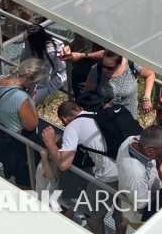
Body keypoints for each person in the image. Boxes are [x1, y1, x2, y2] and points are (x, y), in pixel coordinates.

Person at [43, 100, 124, 234]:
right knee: (122, 213)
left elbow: (63, 164)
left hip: (109, 176)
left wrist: (50, 142)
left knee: (91, 215)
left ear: (64, 119)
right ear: (80, 108)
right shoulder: (98, 113)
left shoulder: (72, 126)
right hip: (128, 167)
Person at [0, 58, 48, 189]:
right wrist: (32, 102)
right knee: (25, 179)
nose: (35, 85)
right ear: (28, 77)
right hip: (17, 145)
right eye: (36, 82)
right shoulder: (22, 98)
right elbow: (32, 124)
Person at [116, 125, 162, 230]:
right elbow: (142, 208)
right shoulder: (137, 177)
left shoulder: (130, 141)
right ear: (150, 151)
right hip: (143, 221)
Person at [84, 50, 156, 118]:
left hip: (129, 118)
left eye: (110, 67)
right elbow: (87, 95)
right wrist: (103, 104)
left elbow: (150, 74)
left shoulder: (131, 64)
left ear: (120, 62)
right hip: (106, 118)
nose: (106, 69)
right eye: (103, 65)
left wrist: (146, 98)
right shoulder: (96, 70)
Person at [20, 25, 69, 105]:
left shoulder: (50, 52)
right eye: (23, 37)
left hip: (54, 79)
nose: (23, 40)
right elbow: (23, 61)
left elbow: (45, 78)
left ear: (34, 41)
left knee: (28, 102)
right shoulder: (30, 45)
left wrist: (29, 85)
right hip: (36, 77)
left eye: (26, 39)